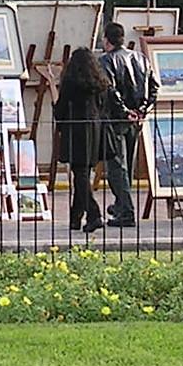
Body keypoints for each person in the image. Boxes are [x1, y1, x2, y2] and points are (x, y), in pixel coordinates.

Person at [54, 46, 113, 235]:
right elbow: (105, 107)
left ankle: (94, 214)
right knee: (83, 173)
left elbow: (60, 109)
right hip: (94, 129)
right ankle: (75, 218)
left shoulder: (71, 82)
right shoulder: (100, 83)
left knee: (79, 174)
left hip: (76, 129)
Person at [98, 21, 151, 227]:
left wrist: (124, 111)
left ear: (107, 40)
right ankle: (121, 205)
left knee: (117, 166)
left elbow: (111, 91)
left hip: (117, 119)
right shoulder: (140, 58)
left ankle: (126, 211)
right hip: (135, 118)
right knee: (126, 163)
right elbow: (153, 86)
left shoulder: (107, 61)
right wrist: (142, 109)